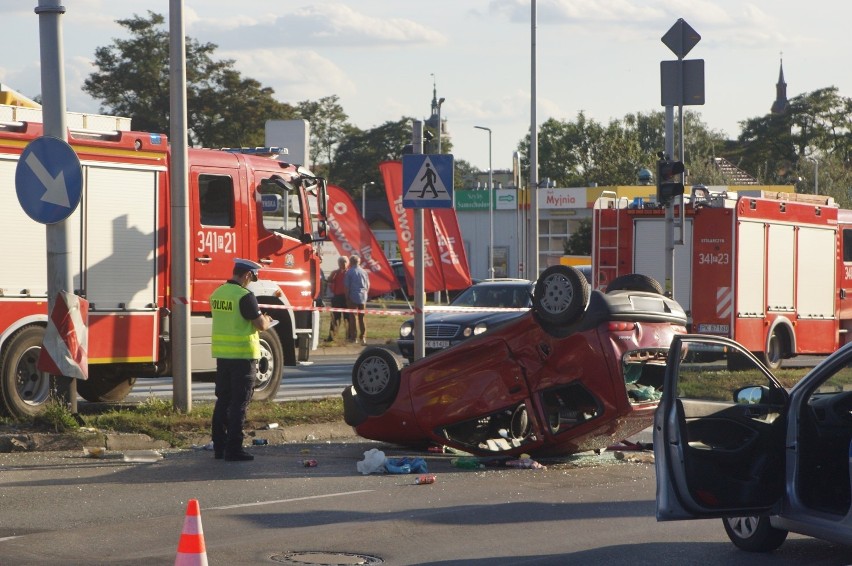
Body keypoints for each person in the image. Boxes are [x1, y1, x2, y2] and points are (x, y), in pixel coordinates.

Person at [209, 258, 274, 461]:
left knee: (223, 401)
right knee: (240, 403)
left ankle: (219, 447)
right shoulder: (245, 296)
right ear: (246, 275)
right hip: (243, 356)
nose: (251, 282)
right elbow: (260, 325)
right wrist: (267, 319)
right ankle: (234, 449)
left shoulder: (217, 293)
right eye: (252, 278)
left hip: (223, 355)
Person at [344, 254, 370, 344]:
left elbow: (347, 286)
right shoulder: (364, 272)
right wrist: (366, 294)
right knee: (362, 317)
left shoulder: (349, 272)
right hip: (363, 295)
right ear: (359, 262)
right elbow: (368, 285)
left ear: (350, 262)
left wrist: (347, 297)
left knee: (353, 317)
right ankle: (363, 337)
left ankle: (353, 337)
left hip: (353, 295)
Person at [325, 256, 349, 341]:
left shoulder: (349, 272)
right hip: (337, 297)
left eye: (345, 262)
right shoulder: (336, 272)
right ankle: (332, 337)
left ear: (348, 263)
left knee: (348, 318)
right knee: (335, 318)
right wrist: (331, 276)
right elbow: (329, 281)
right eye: (341, 262)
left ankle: (349, 337)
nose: (343, 264)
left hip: (347, 298)